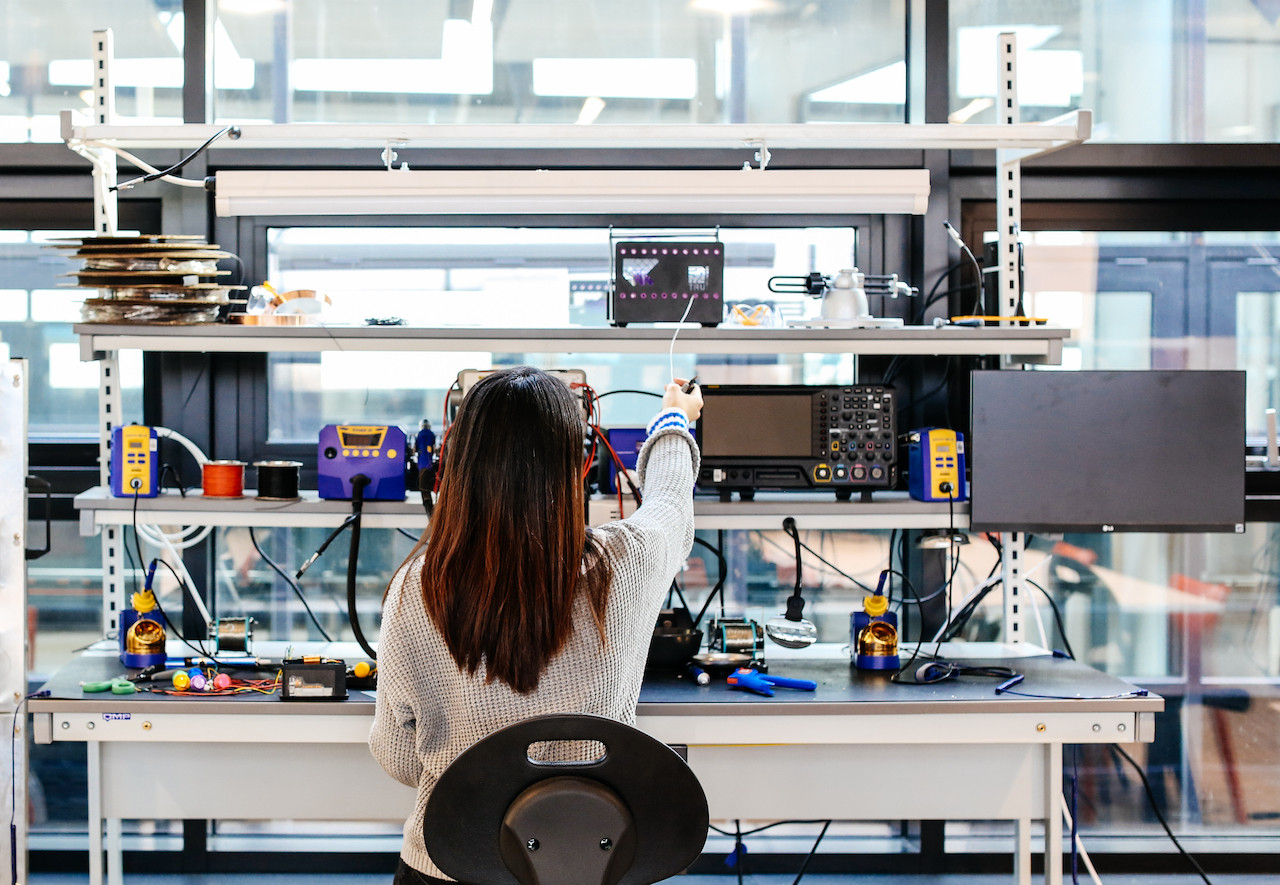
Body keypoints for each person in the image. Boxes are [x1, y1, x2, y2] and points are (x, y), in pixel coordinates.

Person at [370, 365, 702, 885]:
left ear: (458, 465)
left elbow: (396, 755)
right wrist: (674, 422)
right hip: (590, 865)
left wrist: (478, 773)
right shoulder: (626, 563)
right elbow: (670, 507)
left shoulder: (416, 587)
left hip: (449, 865)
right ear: (578, 463)